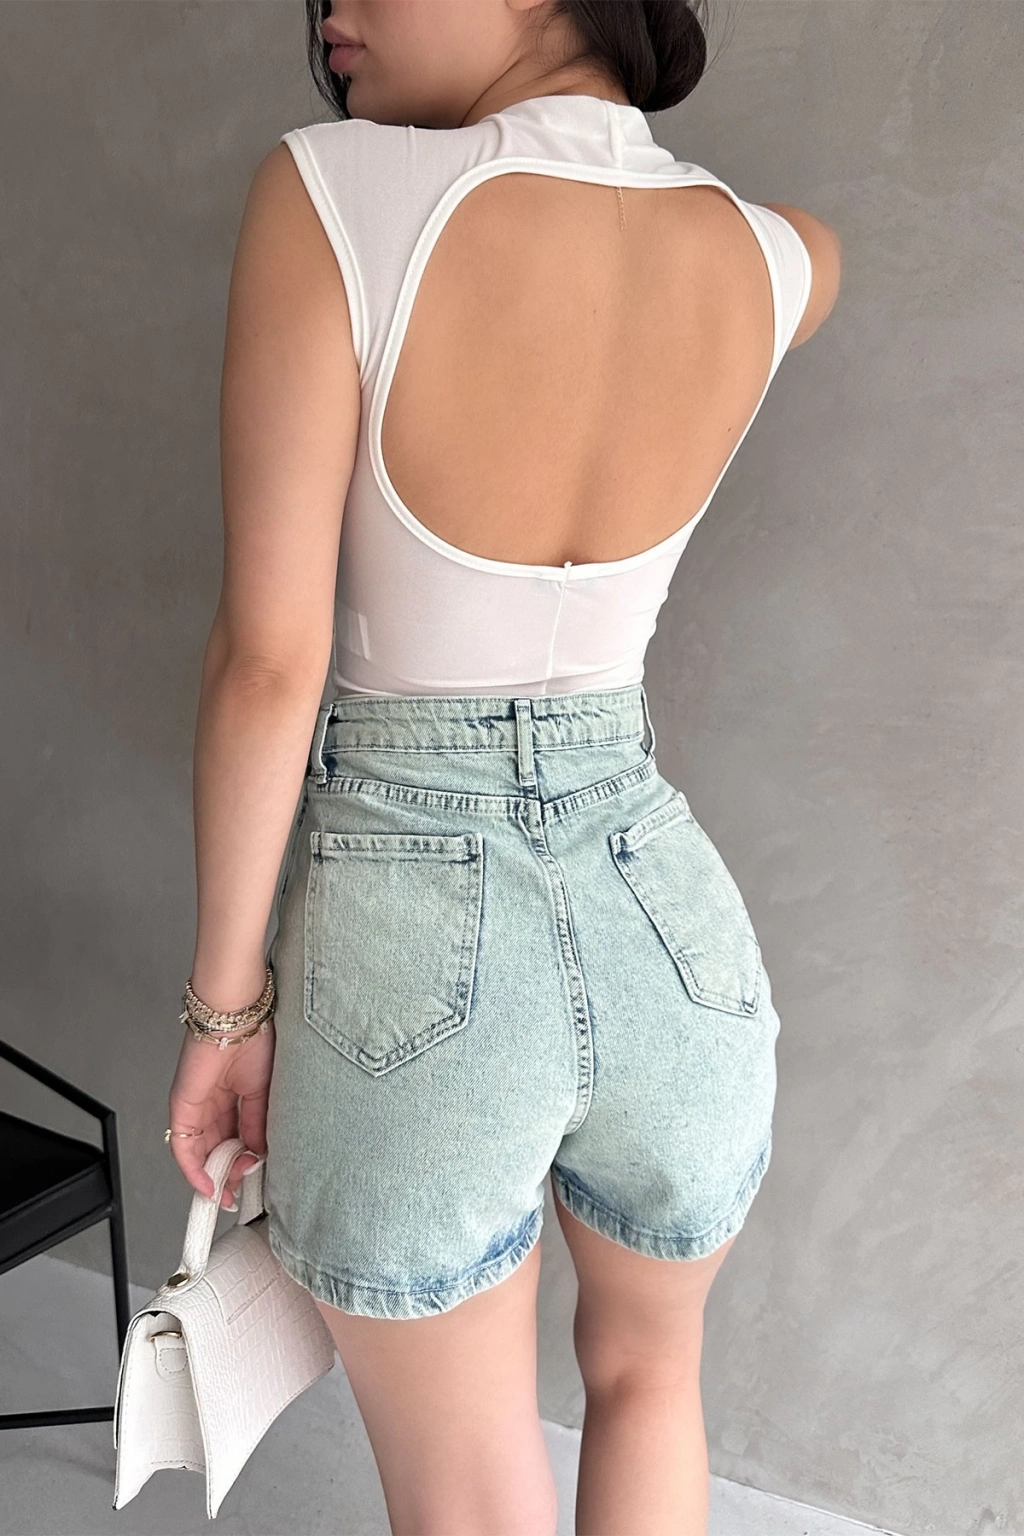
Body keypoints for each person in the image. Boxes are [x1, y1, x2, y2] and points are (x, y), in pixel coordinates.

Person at [166, 2, 842, 1532]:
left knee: (469, 1494)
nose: (331, 17)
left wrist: (224, 1012)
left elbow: (267, 664)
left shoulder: (331, 193)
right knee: (651, 1381)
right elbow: (822, 259)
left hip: (411, 940)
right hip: (670, 928)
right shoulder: (769, 254)